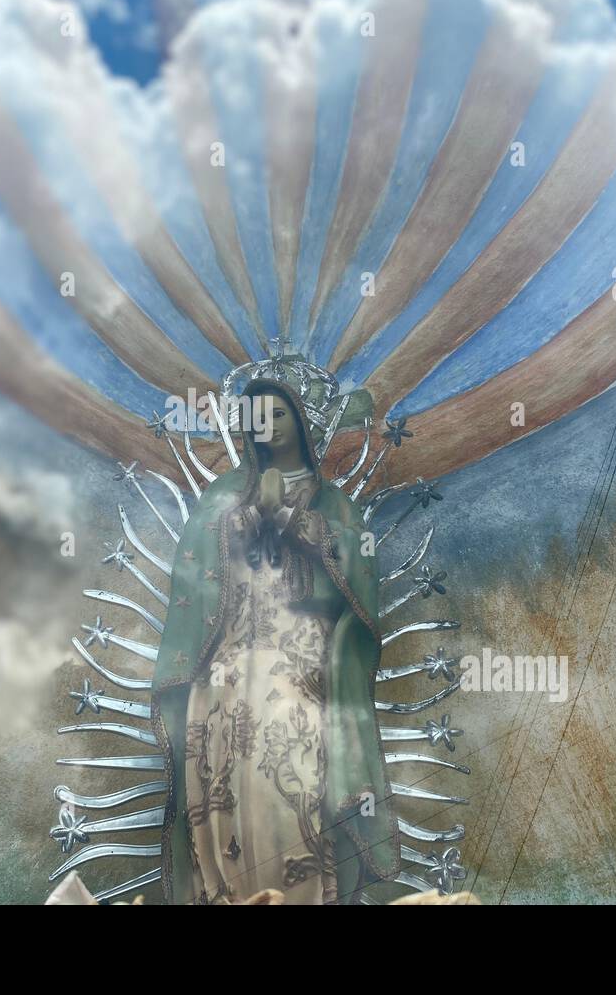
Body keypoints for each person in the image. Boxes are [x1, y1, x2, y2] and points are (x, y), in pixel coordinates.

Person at [150, 378, 400, 904]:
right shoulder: (223, 496)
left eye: (278, 413)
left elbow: (360, 572)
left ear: (300, 422)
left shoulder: (334, 504)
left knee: (294, 773)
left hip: (301, 661)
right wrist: (240, 520)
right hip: (229, 666)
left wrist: (296, 523)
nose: (268, 424)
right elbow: (194, 576)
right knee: (224, 782)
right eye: (257, 416)